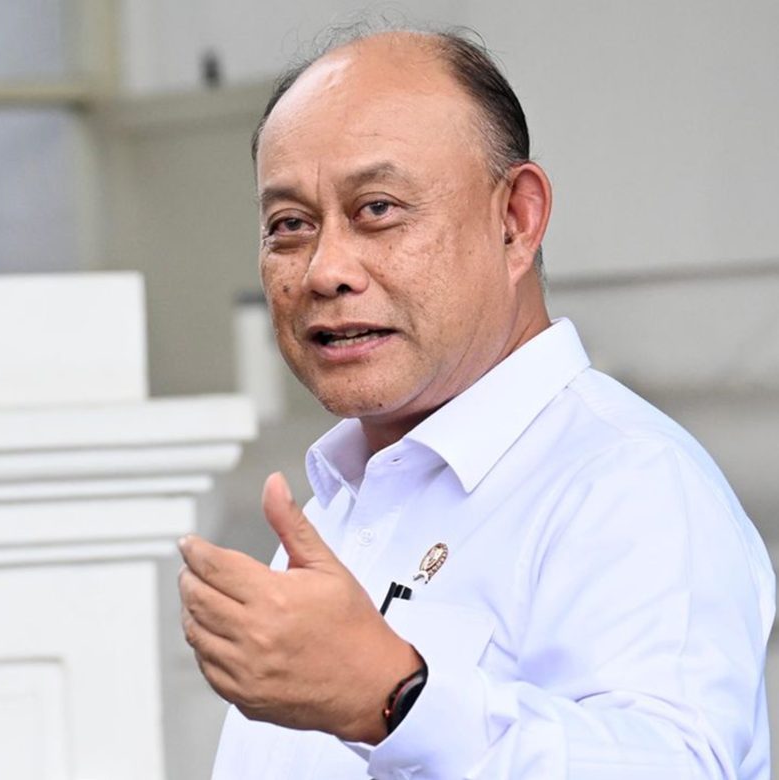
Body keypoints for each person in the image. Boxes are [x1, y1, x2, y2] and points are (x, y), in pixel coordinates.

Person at [176, 26, 775, 779]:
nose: (326, 270)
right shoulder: (345, 500)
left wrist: (392, 698)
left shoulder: (630, 484)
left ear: (515, 220)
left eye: (378, 209)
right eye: (290, 225)